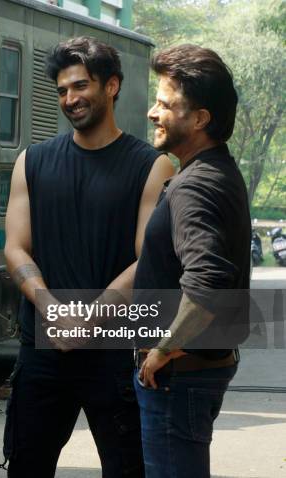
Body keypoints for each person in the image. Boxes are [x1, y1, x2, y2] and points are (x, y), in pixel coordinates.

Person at [2, 36, 174, 477]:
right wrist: (52, 309)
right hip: (43, 346)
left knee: (127, 469)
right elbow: (15, 247)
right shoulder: (32, 161)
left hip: (115, 351)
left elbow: (147, 259)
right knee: (26, 467)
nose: (70, 99)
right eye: (62, 91)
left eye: (80, 86)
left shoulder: (152, 166)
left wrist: (89, 318)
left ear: (111, 85)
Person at [134, 44, 250, 477]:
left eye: (165, 104)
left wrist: (162, 351)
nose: (152, 112)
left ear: (200, 118)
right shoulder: (214, 170)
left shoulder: (196, 185)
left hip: (179, 377)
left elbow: (208, 283)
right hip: (191, 372)